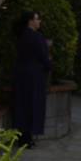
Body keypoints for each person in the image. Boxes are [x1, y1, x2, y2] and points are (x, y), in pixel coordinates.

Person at [12, 10, 52, 148]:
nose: (39, 21)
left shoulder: (22, 35)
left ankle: (23, 137)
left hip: (21, 75)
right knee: (32, 105)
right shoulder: (36, 37)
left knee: (23, 105)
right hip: (34, 76)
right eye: (37, 19)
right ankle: (27, 138)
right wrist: (49, 64)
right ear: (30, 21)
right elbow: (44, 57)